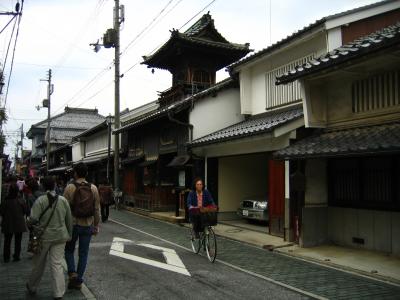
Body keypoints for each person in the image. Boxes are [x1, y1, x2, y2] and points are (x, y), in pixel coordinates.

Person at [26, 176, 72, 300]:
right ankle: (58, 293)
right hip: (60, 236)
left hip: (44, 236)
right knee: (56, 264)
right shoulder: (63, 200)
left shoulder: (40, 201)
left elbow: (33, 219)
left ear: (43, 186)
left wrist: (28, 222)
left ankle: (32, 286)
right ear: (55, 185)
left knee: (39, 264)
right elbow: (69, 220)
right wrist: (69, 235)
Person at [63, 162, 100, 290]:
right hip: (87, 225)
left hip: (72, 224)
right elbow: (96, 209)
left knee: (68, 250)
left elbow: (64, 209)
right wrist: (96, 225)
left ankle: (72, 272)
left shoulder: (69, 188)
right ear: (87, 174)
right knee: (83, 253)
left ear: (75, 173)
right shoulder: (93, 188)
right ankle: (78, 280)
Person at [0, 180, 27, 262]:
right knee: (18, 241)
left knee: (7, 241)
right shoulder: (21, 200)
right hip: (19, 223)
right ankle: (16, 256)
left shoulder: (5, 201)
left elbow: (1, 212)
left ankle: (6, 257)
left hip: (8, 223)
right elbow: (25, 211)